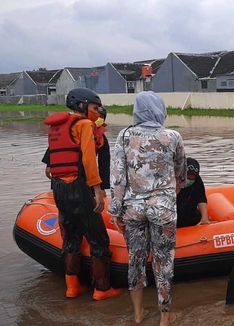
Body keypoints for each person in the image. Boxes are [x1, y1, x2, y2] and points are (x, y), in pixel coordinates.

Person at [109, 91, 186, 325]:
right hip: (163, 209)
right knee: (163, 262)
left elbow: (117, 177)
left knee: (136, 260)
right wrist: (170, 194)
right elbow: (181, 174)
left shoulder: (124, 136)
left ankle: (138, 315)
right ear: (160, 109)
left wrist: (115, 210)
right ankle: (164, 319)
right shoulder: (173, 136)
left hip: (132, 209)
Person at [44, 88, 123, 300]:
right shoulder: (85, 125)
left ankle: (72, 287)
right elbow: (89, 160)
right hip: (80, 188)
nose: (98, 111)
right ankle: (102, 290)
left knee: (70, 238)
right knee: (99, 240)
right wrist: (97, 190)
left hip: (59, 188)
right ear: (82, 106)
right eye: (95, 107)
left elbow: (49, 166)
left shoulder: (56, 127)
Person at [42, 106, 110, 190]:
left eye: (101, 117)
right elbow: (56, 146)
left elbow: (104, 163)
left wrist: (102, 187)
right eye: (97, 115)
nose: (99, 118)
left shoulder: (100, 137)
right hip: (64, 173)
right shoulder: (74, 128)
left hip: (84, 175)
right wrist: (49, 164)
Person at [176, 157, 210, 228]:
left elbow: (202, 198)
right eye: (188, 177)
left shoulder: (197, 180)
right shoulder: (170, 180)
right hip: (174, 217)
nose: (190, 180)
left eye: (192, 178)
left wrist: (205, 218)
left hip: (190, 216)